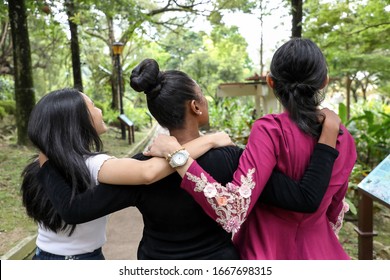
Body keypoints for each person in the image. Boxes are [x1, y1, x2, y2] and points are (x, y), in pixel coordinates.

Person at [35, 59, 342, 260]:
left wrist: (47, 158)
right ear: (196, 106)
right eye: (203, 96)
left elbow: (78, 209)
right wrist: (325, 140)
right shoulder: (231, 158)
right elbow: (302, 198)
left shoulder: (143, 166)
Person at [147, 39, 357, 260]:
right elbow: (334, 212)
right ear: (324, 81)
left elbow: (234, 210)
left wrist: (177, 156)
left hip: (266, 251)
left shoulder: (270, 131)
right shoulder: (345, 140)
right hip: (323, 253)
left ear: (271, 82)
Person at [21, 88, 233, 260]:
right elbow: (148, 171)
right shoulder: (95, 164)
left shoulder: (42, 166)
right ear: (76, 120)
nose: (100, 110)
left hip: (43, 256)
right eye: (93, 106)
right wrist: (210, 140)